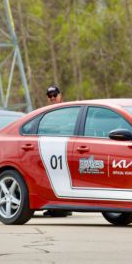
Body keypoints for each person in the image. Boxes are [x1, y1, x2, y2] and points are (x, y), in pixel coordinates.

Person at [44, 84, 72, 218]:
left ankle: (64, 207)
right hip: (50, 149)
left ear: (60, 96)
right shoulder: (45, 112)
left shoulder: (67, 110)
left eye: (55, 95)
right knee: (52, 178)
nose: (52, 98)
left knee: (64, 178)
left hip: (65, 148)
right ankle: (54, 208)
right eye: (50, 96)